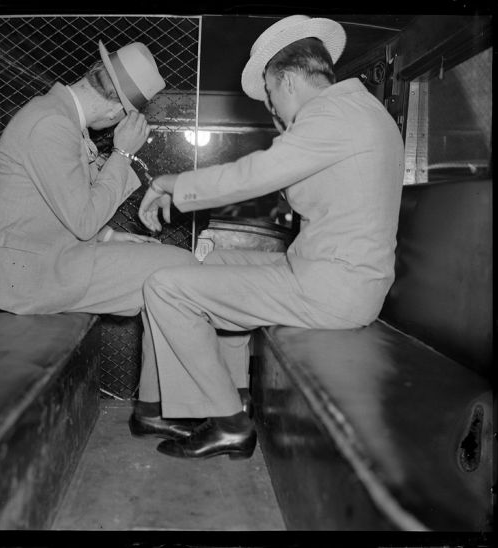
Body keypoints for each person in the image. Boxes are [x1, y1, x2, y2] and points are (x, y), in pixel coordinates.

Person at [136, 15, 406, 459]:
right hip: (336, 275)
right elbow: (311, 187)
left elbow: (256, 174)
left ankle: (229, 423)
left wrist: (172, 183)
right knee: (207, 264)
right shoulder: (360, 110)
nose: (272, 109)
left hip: (331, 288)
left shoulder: (331, 116)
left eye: (270, 97)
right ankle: (235, 393)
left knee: (164, 288)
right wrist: (290, 143)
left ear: (288, 82)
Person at [0, 40, 201, 440]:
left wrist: (114, 236)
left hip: (49, 258)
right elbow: (81, 221)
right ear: (118, 109)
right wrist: (122, 155)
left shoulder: (56, 116)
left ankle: (157, 405)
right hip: (33, 275)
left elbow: (55, 210)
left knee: (166, 265)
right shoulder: (50, 124)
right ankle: (170, 407)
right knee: (179, 269)